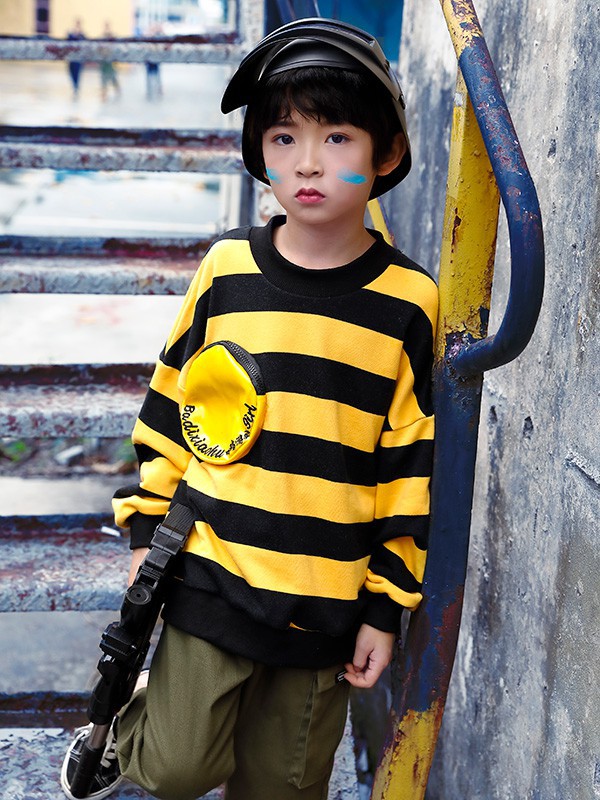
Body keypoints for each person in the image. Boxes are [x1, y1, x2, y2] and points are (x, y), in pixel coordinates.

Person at [60, 17, 438, 800]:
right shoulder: (227, 269)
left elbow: (410, 465)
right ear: (257, 152)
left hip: (328, 598)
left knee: (281, 787)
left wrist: (384, 607)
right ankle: (141, 719)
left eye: (337, 137)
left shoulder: (409, 302)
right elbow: (173, 403)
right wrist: (145, 529)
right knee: (177, 768)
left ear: (386, 154)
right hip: (214, 569)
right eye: (283, 137)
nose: (307, 162)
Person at [66, 19, 86, 100]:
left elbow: (85, 44)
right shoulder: (71, 34)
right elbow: (67, 42)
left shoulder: (82, 35)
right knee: (71, 73)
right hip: (71, 58)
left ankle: (76, 88)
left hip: (78, 59)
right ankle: (74, 87)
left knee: (77, 74)